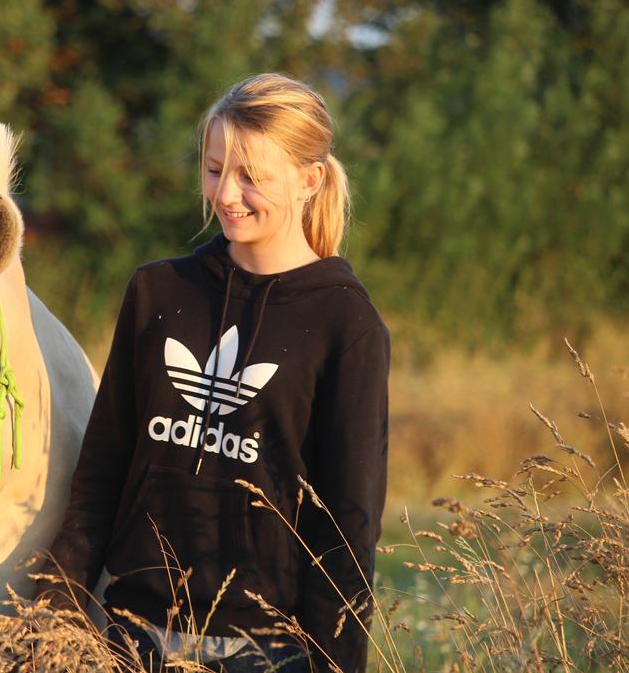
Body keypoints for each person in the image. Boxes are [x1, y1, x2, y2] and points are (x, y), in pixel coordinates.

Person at [39, 72, 389, 673]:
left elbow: (347, 527)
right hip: (132, 635)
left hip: (269, 653)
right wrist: (55, 614)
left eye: (251, 176)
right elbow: (101, 471)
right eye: (214, 168)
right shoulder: (157, 291)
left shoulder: (345, 323)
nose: (226, 194)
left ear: (310, 180)